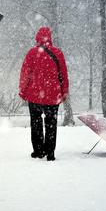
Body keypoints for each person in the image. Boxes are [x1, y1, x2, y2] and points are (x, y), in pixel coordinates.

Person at [19, 26, 69, 161]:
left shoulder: (31, 53)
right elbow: (63, 75)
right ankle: (50, 152)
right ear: (50, 37)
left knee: (35, 123)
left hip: (34, 95)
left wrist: (23, 91)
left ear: (37, 37)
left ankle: (38, 150)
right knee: (51, 124)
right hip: (53, 96)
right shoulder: (58, 53)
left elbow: (25, 74)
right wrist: (64, 92)